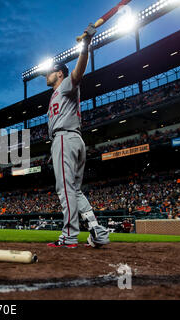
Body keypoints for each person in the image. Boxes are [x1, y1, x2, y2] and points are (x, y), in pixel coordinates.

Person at [40, 23, 110, 249]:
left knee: (65, 189)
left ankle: (69, 236)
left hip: (65, 139)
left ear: (59, 73)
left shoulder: (67, 84)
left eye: (49, 72)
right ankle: (97, 231)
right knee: (75, 190)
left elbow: (78, 72)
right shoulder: (56, 94)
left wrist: (86, 45)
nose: (46, 75)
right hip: (72, 140)